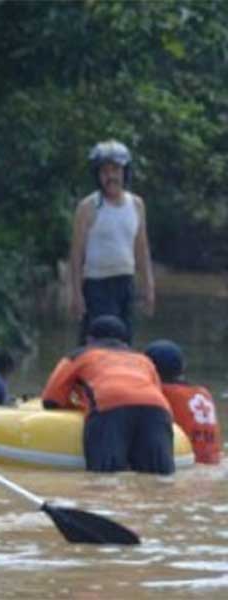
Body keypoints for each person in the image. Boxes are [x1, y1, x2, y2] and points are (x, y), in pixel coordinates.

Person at [41, 315, 174, 474]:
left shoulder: (78, 356)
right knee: (158, 480)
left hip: (109, 407)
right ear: (125, 343)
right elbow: (156, 392)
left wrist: (80, 407)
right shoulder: (144, 360)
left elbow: (51, 400)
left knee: (106, 479)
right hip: (157, 410)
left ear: (89, 340)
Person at [69, 140, 155, 345]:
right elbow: (76, 253)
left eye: (115, 170)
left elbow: (141, 248)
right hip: (97, 285)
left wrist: (148, 287)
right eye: (105, 171)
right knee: (97, 343)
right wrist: (76, 294)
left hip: (125, 283)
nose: (111, 177)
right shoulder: (88, 207)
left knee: (125, 342)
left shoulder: (136, 204)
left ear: (125, 172)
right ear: (98, 176)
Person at [145, 339, 223, 464]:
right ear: (182, 367)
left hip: (186, 464)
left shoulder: (160, 393)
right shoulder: (204, 393)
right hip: (213, 461)